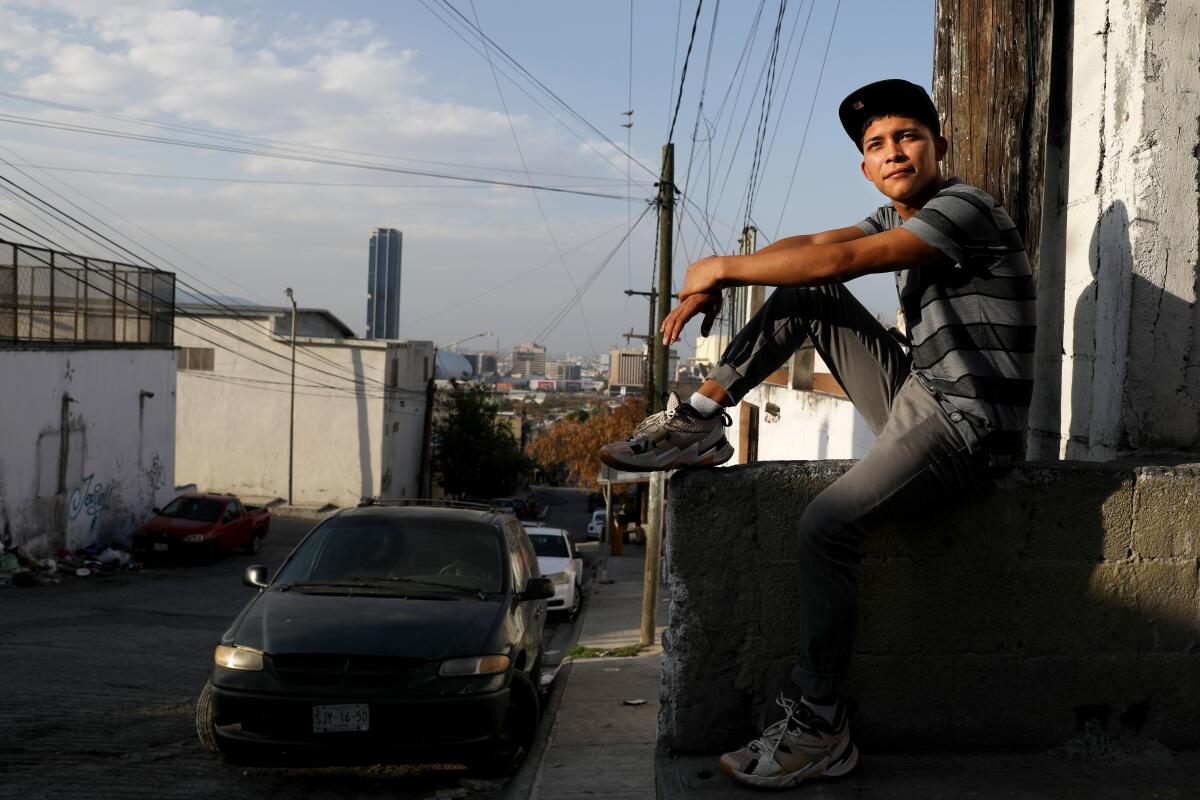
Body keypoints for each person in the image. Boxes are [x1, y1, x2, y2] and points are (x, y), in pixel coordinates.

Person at [598, 78, 1037, 790]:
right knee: (805, 295)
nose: (893, 151)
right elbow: (812, 247)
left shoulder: (963, 207)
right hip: (920, 395)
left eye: (908, 136)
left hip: (969, 424)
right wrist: (718, 274)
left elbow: (844, 262)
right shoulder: (896, 210)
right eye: (876, 145)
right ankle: (700, 423)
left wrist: (722, 267)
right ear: (866, 166)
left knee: (825, 525)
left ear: (939, 146)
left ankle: (821, 724)